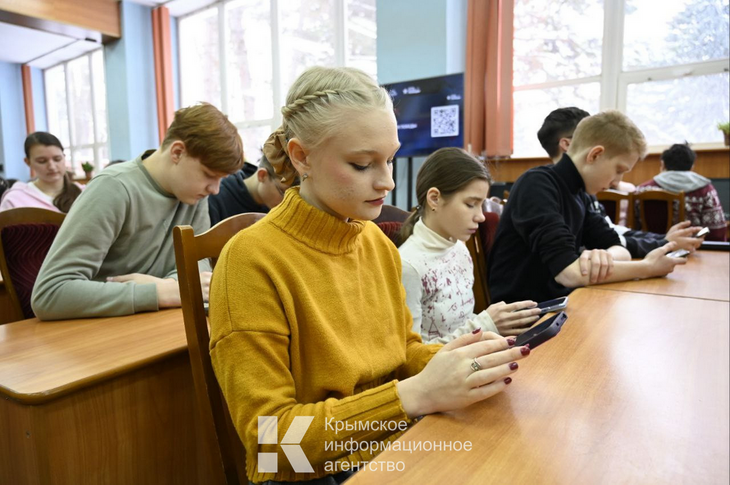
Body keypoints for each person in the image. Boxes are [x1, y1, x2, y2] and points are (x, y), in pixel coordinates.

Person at [208, 66, 530, 485]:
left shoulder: (376, 242)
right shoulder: (250, 261)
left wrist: (464, 363)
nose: (388, 182)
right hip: (313, 473)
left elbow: (403, 351)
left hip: (393, 443)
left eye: (390, 159)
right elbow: (271, 444)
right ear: (301, 156)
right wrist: (414, 394)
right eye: (362, 165)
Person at [31, 103, 242, 320]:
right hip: (97, 330)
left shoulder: (193, 195)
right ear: (177, 152)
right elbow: (49, 293)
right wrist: (158, 292)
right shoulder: (113, 188)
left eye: (221, 179)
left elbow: (196, 269)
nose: (215, 190)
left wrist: (168, 286)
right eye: (209, 175)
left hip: (153, 323)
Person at [489, 110, 686, 304]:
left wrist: (604, 258)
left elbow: (619, 248)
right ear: (595, 155)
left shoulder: (580, 194)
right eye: (618, 170)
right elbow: (569, 274)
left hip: (561, 302)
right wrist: (647, 268)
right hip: (524, 313)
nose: (617, 181)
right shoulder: (536, 185)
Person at [397, 147, 541, 343]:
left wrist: (495, 326)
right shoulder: (409, 267)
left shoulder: (459, 248)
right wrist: (484, 325)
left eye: (481, 205)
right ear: (434, 199)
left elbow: (461, 321)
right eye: (471, 204)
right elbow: (411, 354)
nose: (481, 216)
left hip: (472, 355)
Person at [537, 108, 703, 256]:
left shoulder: (582, 191)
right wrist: (663, 246)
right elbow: (567, 263)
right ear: (569, 144)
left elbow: (609, 233)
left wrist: (664, 240)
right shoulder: (542, 187)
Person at [635, 143, 727, 241]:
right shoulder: (706, 190)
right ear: (692, 167)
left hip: (650, 246)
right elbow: (716, 232)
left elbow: (633, 226)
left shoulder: (642, 189)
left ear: (663, 164)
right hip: (692, 247)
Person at [0, 132, 83, 213]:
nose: (52, 167)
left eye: (57, 159)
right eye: (42, 161)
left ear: (64, 157)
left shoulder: (84, 193)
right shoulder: (15, 199)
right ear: (28, 162)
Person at [208, 154, 297, 225]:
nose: (287, 202)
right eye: (283, 192)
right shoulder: (216, 196)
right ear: (262, 175)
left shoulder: (273, 206)